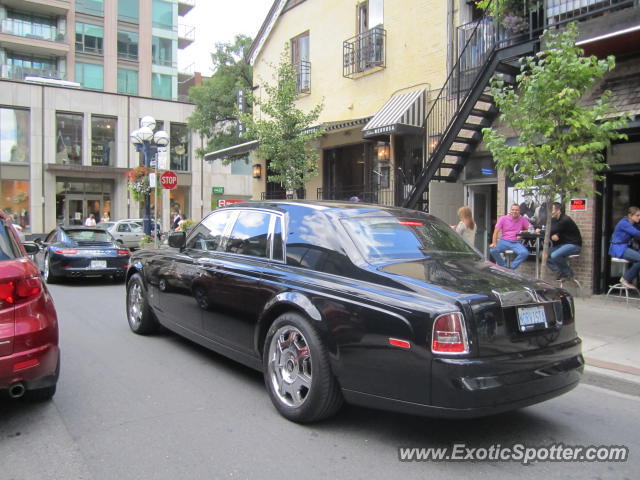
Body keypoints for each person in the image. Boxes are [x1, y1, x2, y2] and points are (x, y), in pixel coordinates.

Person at [546, 202, 582, 281]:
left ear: (558, 210)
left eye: (552, 210)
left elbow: (551, 230)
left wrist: (542, 231)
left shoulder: (565, 219)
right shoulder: (555, 219)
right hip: (563, 245)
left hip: (574, 245)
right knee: (544, 255)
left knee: (555, 255)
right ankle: (559, 272)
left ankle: (568, 272)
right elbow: (553, 228)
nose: (550, 212)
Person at [489, 204, 530, 269]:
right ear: (510, 210)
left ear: (519, 211)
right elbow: (495, 232)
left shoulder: (523, 219)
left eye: (516, 210)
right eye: (513, 210)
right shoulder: (503, 218)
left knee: (525, 253)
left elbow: (530, 229)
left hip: (516, 242)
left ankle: (512, 268)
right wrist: (494, 243)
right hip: (504, 241)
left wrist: (522, 233)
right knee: (493, 250)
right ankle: (503, 266)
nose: (514, 211)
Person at [609, 206, 640, 289]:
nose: (639, 217)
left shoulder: (634, 223)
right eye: (637, 215)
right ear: (630, 215)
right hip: (618, 248)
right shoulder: (624, 223)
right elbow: (637, 233)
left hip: (625, 247)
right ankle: (625, 279)